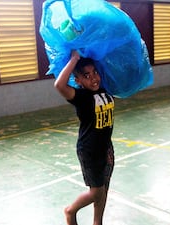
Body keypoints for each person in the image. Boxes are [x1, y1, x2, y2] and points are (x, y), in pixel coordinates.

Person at [54, 50, 115, 225]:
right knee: (96, 192)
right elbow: (59, 85)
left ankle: (98, 222)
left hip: (106, 147)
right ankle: (70, 211)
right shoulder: (80, 97)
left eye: (95, 72)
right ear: (78, 80)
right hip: (89, 151)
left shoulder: (105, 89)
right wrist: (74, 59)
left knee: (104, 189)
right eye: (86, 76)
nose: (93, 78)